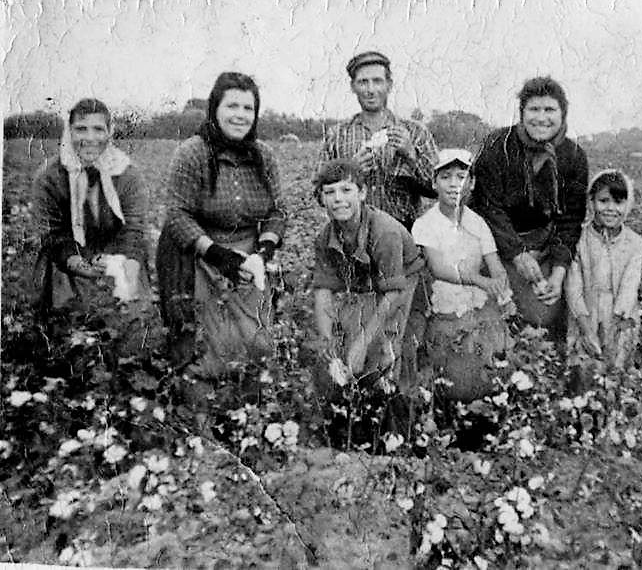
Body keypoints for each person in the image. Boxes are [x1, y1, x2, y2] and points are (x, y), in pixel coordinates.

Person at [156, 72, 286, 376]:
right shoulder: (193, 153)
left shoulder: (263, 156)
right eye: (232, 106)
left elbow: (278, 211)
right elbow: (177, 215)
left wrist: (262, 253)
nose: (240, 116)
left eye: (248, 108)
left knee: (254, 344)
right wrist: (218, 255)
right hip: (198, 254)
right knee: (200, 349)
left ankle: (245, 412)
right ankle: (199, 411)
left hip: (248, 257)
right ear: (215, 109)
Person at [470, 76, 589, 337]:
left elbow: (570, 222)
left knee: (544, 317)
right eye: (534, 109)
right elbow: (489, 208)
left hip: (543, 248)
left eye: (550, 109)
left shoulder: (573, 156)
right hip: (494, 246)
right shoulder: (498, 145)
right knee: (493, 319)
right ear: (522, 112)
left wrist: (558, 273)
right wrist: (517, 254)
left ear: (563, 113)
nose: (542, 118)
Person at [311, 159, 425, 388]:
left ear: (362, 193)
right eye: (329, 192)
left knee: (385, 346)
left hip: (405, 282)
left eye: (346, 190)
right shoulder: (325, 237)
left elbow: (393, 293)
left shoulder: (385, 232)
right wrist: (327, 343)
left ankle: (391, 397)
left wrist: (362, 343)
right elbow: (323, 290)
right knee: (337, 349)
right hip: (367, 283)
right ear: (322, 198)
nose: (338, 199)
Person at [411, 149, 514, 400]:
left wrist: (503, 291)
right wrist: (480, 280)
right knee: (453, 372)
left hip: (477, 305)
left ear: (472, 183)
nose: (454, 184)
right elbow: (439, 268)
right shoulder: (425, 224)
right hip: (442, 310)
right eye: (446, 177)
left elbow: (494, 262)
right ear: (434, 183)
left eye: (461, 176)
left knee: (496, 361)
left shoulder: (478, 222)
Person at [33, 98, 150, 316]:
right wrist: (79, 264)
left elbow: (134, 230)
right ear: (69, 132)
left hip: (118, 256)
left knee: (130, 316)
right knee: (70, 322)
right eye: (81, 129)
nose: (90, 138)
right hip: (67, 260)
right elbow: (52, 235)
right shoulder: (49, 177)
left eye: (98, 129)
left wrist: (125, 265)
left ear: (109, 133)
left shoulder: (128, 174)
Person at [316, 51, 439, 229]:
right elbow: (319, 192)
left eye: (377, 81)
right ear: (353, 87)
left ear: (389, 85)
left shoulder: (415, 132)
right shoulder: (337, 135)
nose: (370, 90)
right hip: (352, 233)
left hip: (403, 233)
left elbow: (436, 189)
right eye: (363, 82)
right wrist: (350, 172)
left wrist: (411, 155)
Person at [565, 169, 642, 370]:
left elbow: (630, 286)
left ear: (627, 205)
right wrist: (586, 329)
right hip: (585, 311)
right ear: (591, 202)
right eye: (603, 201)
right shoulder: (579, 238)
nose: (610, 209)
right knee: (584, 368)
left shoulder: (634, 243)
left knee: (616, 365)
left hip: (618, 314)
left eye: (618, 202)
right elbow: (573, 286)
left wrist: (614, 329)